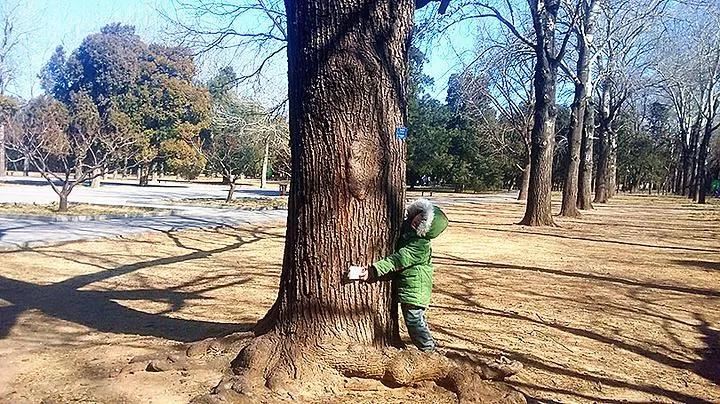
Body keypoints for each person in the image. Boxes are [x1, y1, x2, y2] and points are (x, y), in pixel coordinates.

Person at [358, 198, 448, 352]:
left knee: (414, 319)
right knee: (416, 319)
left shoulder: (420, 246)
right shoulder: (409, 229)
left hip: (416, 289)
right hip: (410, 285)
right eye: (420, 217)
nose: (417, 222)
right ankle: (429, 345)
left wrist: (373, 270)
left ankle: (428, 349)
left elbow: (398, 260)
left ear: (426, 230)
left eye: (422, 223)